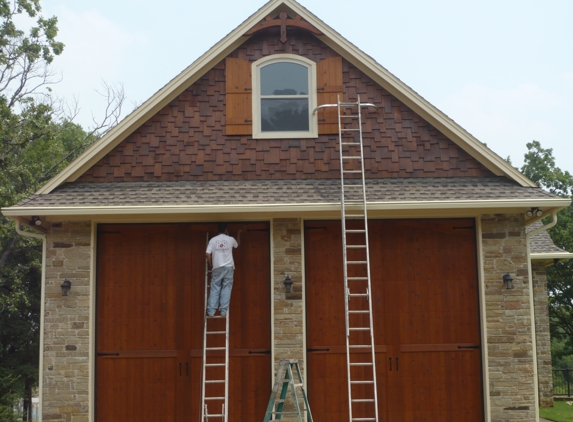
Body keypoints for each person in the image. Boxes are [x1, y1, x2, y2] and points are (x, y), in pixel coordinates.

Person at [205, 223, 243, 317]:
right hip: (228, 267)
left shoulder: (213, 240)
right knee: (226, 288)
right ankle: (223, 311)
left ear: (217, 229)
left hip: (217, 268)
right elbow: (237, 245)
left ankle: (211, 312)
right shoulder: (230, 239)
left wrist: (210, 263)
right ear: (226, 230)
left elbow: (207, 253)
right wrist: (238, 233)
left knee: (215, 289)